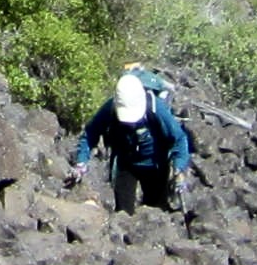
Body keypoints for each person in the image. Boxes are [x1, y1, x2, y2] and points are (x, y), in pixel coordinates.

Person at [75, 66, 196, 211]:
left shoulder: (156, 109)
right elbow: (90, 133)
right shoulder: (111, 107)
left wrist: (178, 168)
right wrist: (81, 162)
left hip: (155, 165)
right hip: (126, 164)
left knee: (155, 211)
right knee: (123, 213)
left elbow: (179, 139)